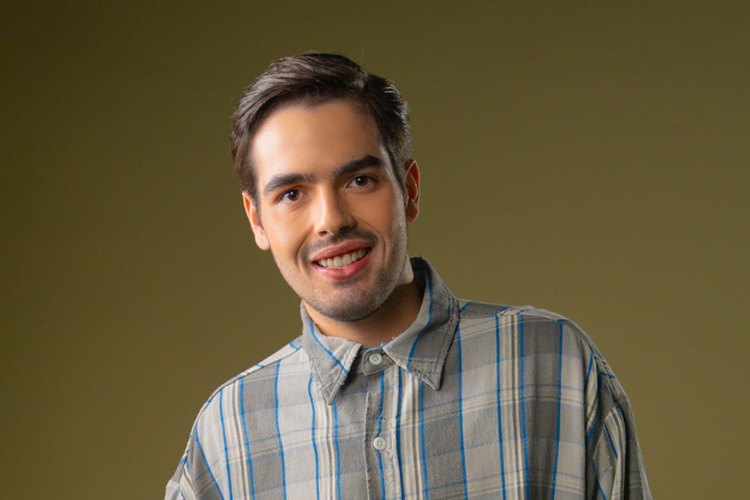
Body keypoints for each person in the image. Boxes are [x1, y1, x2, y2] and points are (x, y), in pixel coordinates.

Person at [166, 53, 651, 500]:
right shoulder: (227, 434)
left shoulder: (555, 368)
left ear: (409, 189)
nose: (331, 220)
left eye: (360, 180)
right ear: (257, 220)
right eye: (292, 194)